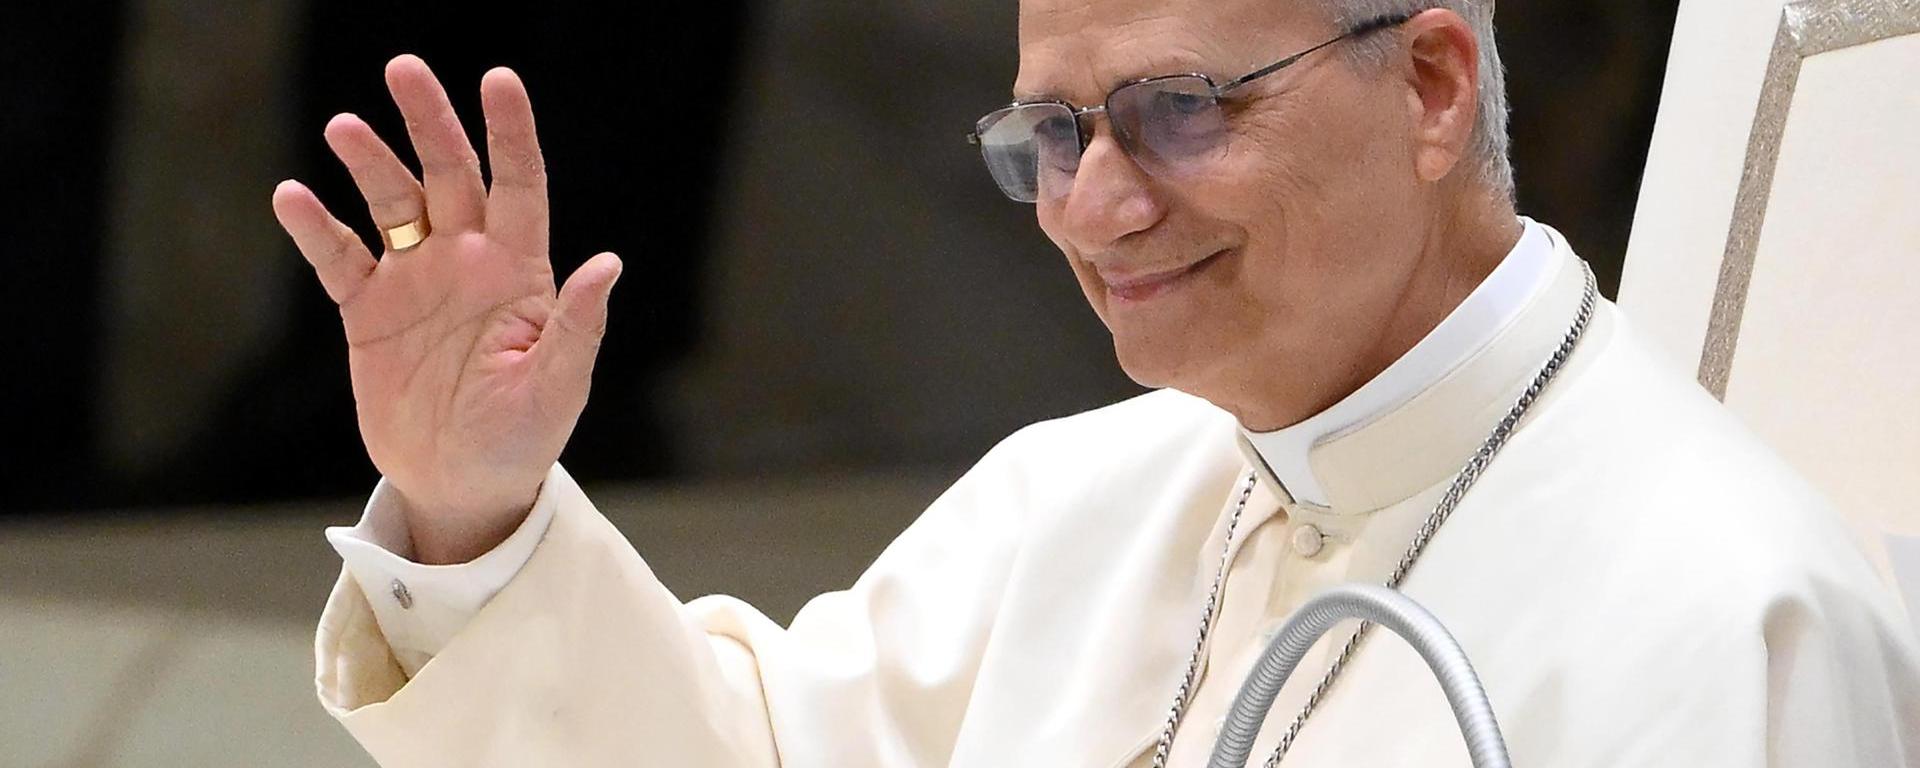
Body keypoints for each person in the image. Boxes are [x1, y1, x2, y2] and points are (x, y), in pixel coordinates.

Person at [270, 0, 1920, 765]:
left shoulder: (1729, 616)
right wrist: (475, 509)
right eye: (1050, 136)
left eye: (1180, 110)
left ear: (1429, 85)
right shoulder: (1076, 500)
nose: (1094, 208)